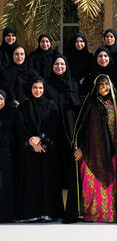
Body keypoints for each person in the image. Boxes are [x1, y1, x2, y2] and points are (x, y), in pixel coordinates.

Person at [72, 75, 117, 222]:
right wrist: (79, 147)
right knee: (91, 186)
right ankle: (92, 215)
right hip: (90, 152)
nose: (104, 87)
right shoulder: (90, 103)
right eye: (101, 85)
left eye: (107, 84)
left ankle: (109, 215)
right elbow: (82, 126)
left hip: (111, 153)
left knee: (110, 187)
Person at [14, 77, 63, 222]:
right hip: (29, 152)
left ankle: (47, 213)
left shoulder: (51, 105)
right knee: (30, 181)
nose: (38, 90)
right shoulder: (24, 105)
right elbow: (20, 125)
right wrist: (31, 141)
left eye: (40, 88)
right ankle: (30, 214)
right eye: (35, 87)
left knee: (47, 181)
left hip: (46, 150)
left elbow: (54, 124)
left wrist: (41, 139)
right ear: (30, 88)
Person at [45, 55, 81, 190]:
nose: (59, 67)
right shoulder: (47, 85)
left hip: (70, 128)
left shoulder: (73, 83)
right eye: (56, 64)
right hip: (53, 128)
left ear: (66, 66)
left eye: (62, 64)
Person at [0, 90, 14, 222]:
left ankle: (5, 214)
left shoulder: (10, 115)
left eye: (0, 99)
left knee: (5, 184)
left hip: (6, 155)